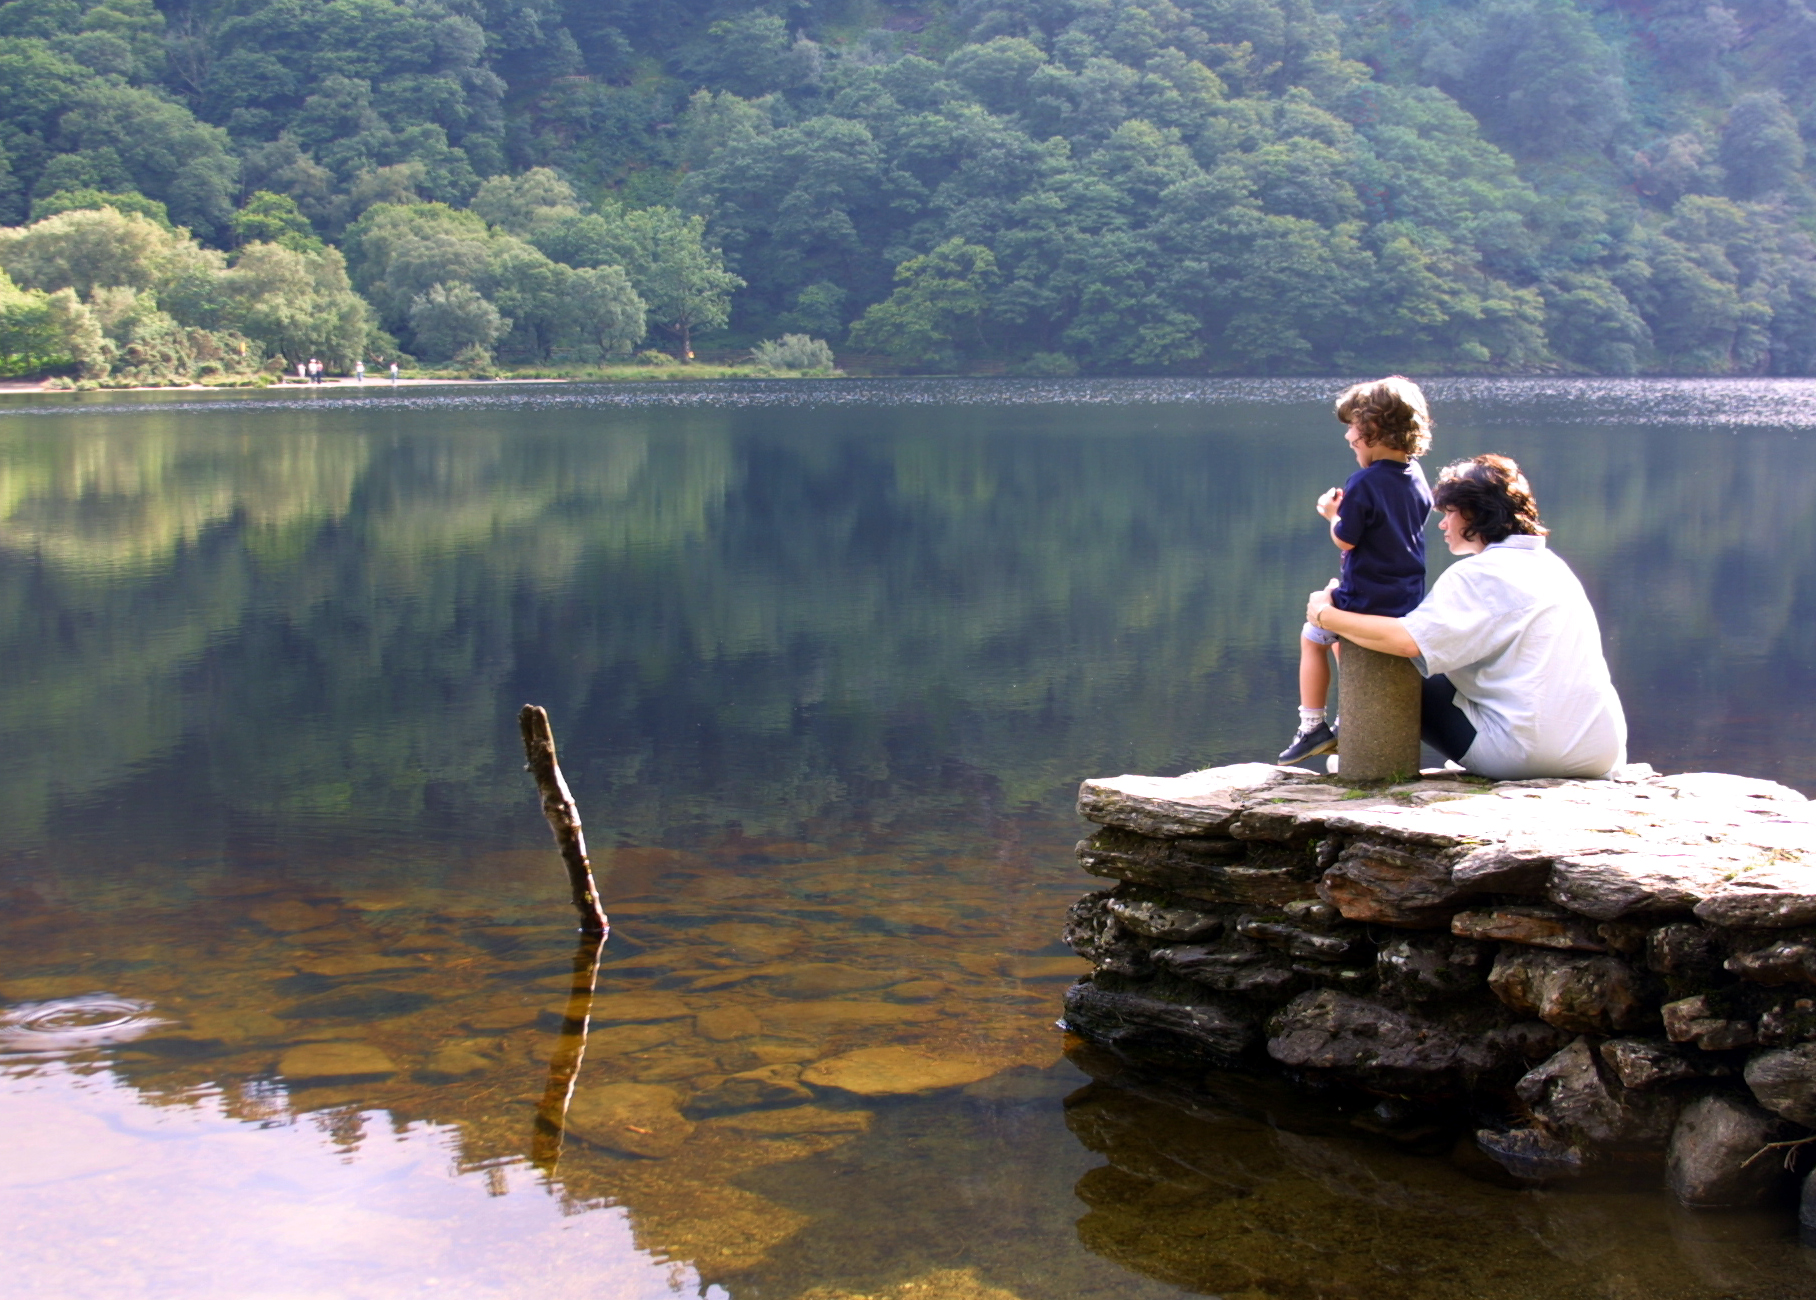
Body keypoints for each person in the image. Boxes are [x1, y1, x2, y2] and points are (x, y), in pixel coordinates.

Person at [1305, 454, 1627, 780]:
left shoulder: (1477, 574)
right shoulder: (1555, 567)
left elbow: (1405, 642)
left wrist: (1326, 615)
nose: (1443, 524)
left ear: (1474, 513)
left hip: (1524, 757)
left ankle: (1357, 755)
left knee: (1386, 658)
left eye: (1449, 513)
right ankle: (1349, 740)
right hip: (1599, 752)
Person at [1278, 376, 1434, 764]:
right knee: (1342, 637)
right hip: (1406, 597)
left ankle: (1312, 725)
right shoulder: (1416, 475)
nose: (1348, 437)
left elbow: (1346, 539)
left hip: (1366, 597)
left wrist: (1332, 514)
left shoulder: (1364, 481)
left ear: (1374, 429)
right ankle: (1353, 714)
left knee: (1313, 635)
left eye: (1353, 427)